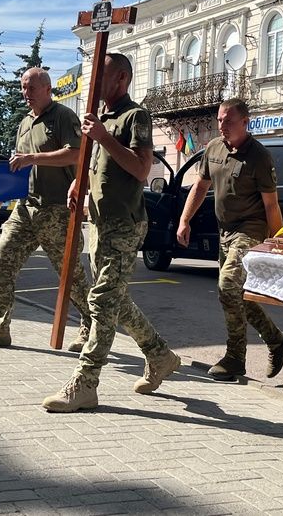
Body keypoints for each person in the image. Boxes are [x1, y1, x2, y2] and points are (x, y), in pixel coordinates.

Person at [42, 53, 180, 413]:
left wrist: (104, 137)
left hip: (126, 224)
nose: (93, 86)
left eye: (99, 78)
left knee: (102, 301)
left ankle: (85, 384)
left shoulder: (136, 116)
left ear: (120, 79)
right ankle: (160, 355)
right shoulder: (100, 118)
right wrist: (79, 185)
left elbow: (139, 168)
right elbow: (95, 165)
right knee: (117, 301)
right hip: (100, 223)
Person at [0, 67, 93, 352]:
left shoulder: (62, 117)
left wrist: (32, 158)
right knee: (3, 260)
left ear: (47, 89)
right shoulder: (25, 122)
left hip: (57, 210)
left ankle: (90, 325)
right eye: (23, 88)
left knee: (70, 274)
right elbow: (22, 162)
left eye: (31, 88)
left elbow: (77, 153)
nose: (26, 93)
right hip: (24, 207)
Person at [177, 98, 283, 382]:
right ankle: (276, 340)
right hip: (224, 231)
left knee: (227, 285)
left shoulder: (259, 157)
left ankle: (235, 358)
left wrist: (275, 246)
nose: (222, 126)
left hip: (251, 229)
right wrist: (184, 219)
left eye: (228, 121)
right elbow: (200, 186)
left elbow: (271, 206)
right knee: (236, 293)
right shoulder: (214, 149)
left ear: (245, 122)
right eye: (219, 120)